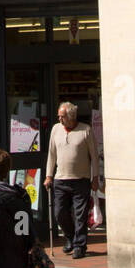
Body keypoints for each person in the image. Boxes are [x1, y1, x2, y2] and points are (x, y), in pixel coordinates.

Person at [44, 102, 101, 258]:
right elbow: (51, 154)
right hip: (60, 179)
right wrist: (49, 175)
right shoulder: (56, 129)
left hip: (80, 179)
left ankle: (80, 246)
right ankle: (70, 238)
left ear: (71, 116)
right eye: (59, 117)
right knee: (59, 213)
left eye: (62, 117)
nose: (60, 119)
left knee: (80, 215)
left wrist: (95, 178)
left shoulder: (85, 131)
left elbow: (94, 157)